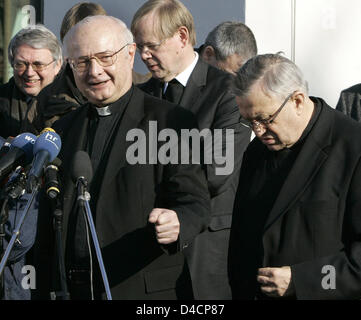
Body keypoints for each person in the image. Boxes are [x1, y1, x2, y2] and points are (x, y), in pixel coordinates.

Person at [34, 15, 210, 300]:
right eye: (82, 62)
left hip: (139, 288)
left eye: (105, 58)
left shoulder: (170, 121)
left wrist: (177, 221)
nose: (95, 71)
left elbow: (195, 201)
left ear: (130, 55)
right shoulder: (62, 129)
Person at [131, 0, 251, 299]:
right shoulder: (141, 96)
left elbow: (216, 171)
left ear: (182, 37)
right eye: (138, 46)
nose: (143, 55)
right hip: (150, 252)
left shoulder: (227, 91)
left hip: (206, 250)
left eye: (151, 45)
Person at [228, 53, 361, 300]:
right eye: (249, 122)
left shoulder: (353, 148)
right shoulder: (257, 152)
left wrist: (303, 280)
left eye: (265, 119)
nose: (258, 131)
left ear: (298, 101)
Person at [36, 2, 151, 130]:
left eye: (104, 57)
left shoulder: (147, 89)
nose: (94, 71)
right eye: (82, 59)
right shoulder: (48, 97)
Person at [0, 25, 62, 138]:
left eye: (38, 65)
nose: (29, 73)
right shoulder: (2, 99)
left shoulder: (74, 105)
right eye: (21, 64)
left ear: (57, 65)